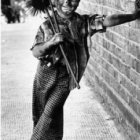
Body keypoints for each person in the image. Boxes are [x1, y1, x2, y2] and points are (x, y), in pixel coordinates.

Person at [30, 0, 140, 139]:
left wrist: (133, 15)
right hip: (45, 73)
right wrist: (51, 42)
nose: (68, 3)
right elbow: (36, 51)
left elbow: (108, 20)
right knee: (41, 114)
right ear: (54, 1)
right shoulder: (47, 26)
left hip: (65, 77)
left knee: (50, 112)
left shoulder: (82, 22)